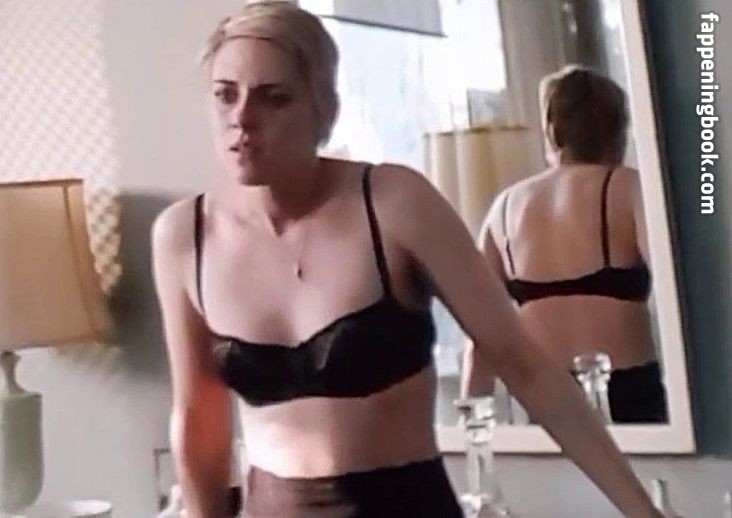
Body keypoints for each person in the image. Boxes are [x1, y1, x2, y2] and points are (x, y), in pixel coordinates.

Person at [151, 3, 661, 516]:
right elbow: (198, 425)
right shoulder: (183, 236)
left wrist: (645, 512)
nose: (242, 118)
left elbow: (527, 369)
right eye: (225, 94)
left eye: (273, 98)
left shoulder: (395, 204)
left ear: (320, 106)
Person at [478, 65, 667, 423]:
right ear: (617, 130)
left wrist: (473, 428)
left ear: (552, 131)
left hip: (544, 402)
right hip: (628, 396)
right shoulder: (628, 188)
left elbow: (479, 332)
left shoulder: (503, 208)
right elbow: (679, 299)